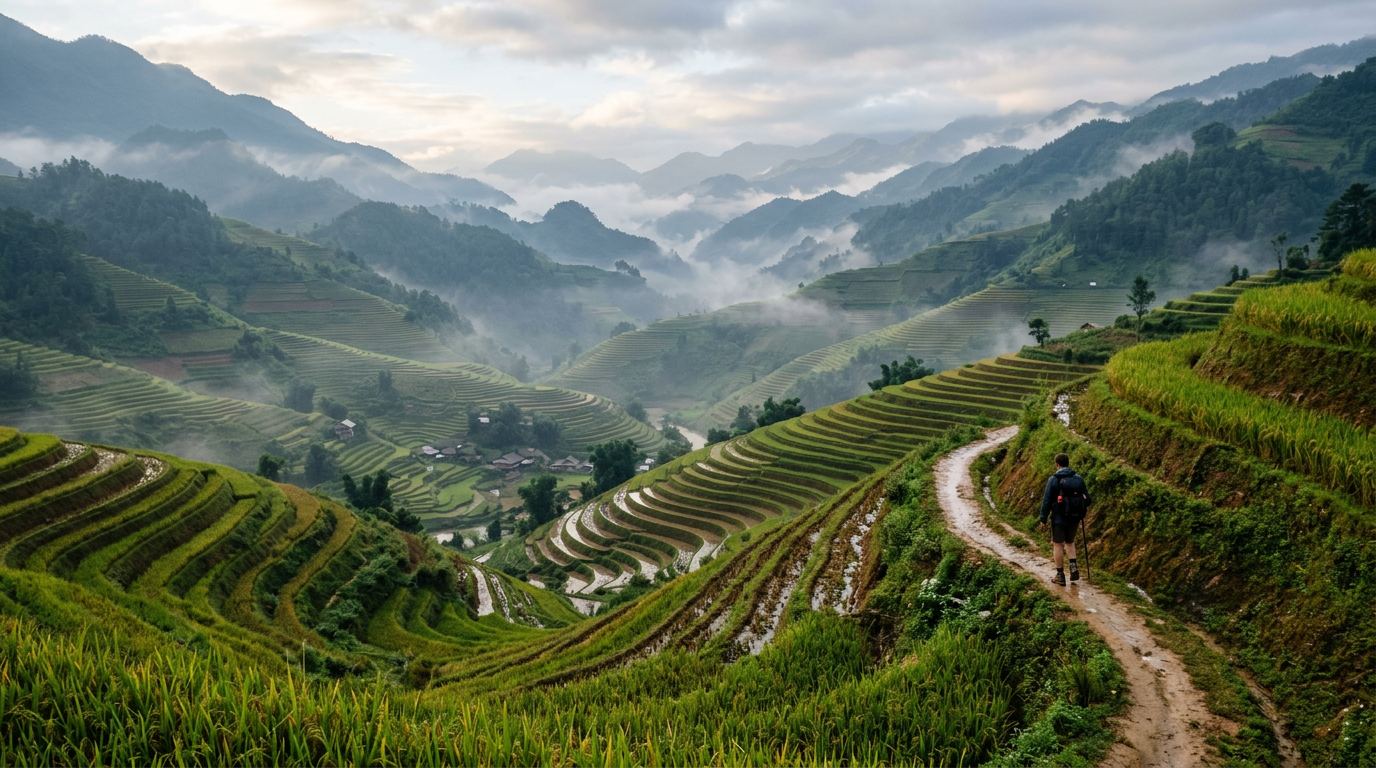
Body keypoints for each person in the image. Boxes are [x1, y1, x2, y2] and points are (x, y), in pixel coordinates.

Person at [1039, 452, 1090, 586]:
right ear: (1068, 463)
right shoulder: (1078, 479)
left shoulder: (1053, 480)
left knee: (1058, 544)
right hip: (1075, 517)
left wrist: (1043, 518)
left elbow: (1047, 500)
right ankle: (1073, 569)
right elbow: (1088, 499)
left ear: (1057, 464)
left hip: (1058, 518)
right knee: (1070, 542)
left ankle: (1060, 575)